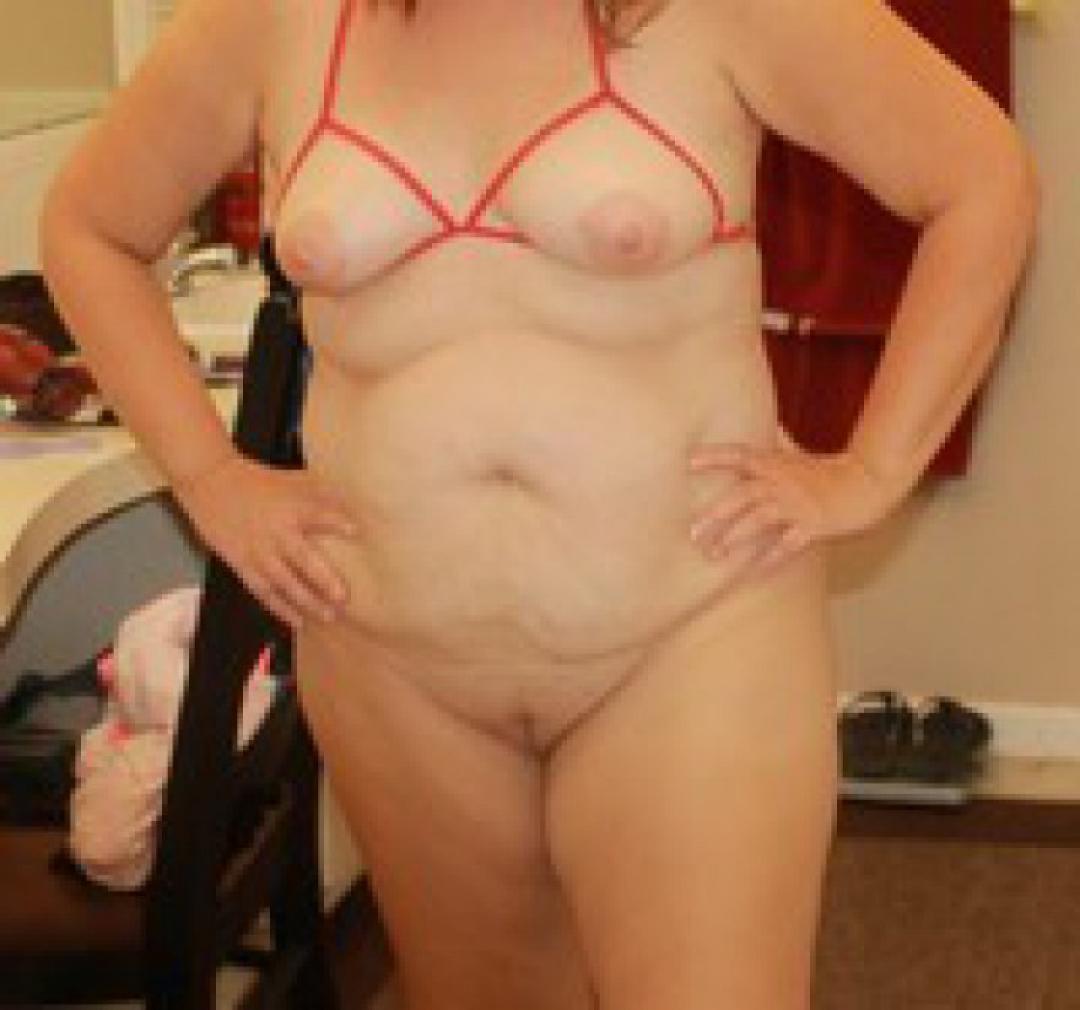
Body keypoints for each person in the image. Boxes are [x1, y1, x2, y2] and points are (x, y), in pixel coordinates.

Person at [39, 0, 1039, 1006]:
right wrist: (211, 479)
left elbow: (980, 179)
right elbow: (91, 228)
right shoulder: (271, 18)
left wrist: (870, 471)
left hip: (687, 635)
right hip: (396, 661)